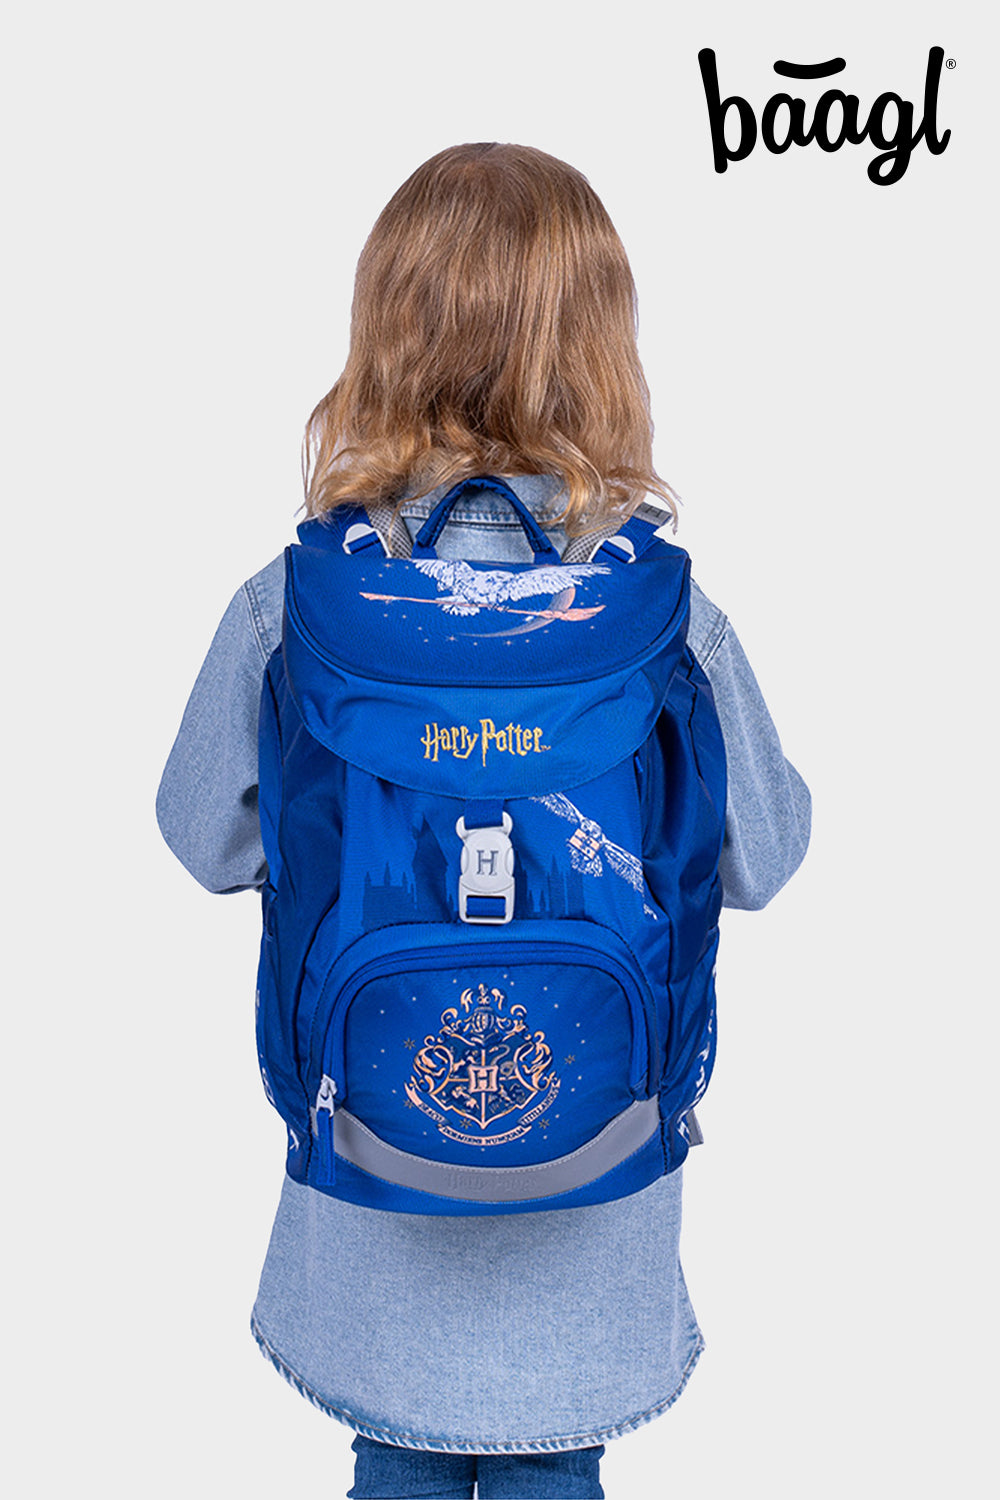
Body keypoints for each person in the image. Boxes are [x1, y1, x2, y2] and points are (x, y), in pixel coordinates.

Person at [156, 143, 810, 1500]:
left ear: (381, 336)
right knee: (557, 1471)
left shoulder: (301, 607)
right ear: (604, 350)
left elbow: (201, 837)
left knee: (389, 1466)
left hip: (368, 1168)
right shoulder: (660, 616)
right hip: (597, 1182)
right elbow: (767, 854)